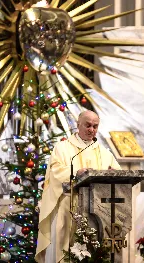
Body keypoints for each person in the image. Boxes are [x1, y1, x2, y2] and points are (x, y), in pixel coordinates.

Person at [35, 110, 120, 263]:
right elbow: (55, 171)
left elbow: (118, 172)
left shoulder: (103, 152)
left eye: (95, 126)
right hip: (67, 206)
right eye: (88, 125)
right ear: (78, 124)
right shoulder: (63, 148)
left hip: (96, 210)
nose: (91, 130)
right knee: (63, 250)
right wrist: (74, 171)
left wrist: (113, 173)